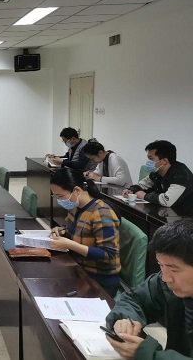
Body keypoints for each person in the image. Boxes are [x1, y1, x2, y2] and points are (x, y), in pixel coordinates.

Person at [105, 219, 193, 359]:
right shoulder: (165, 283)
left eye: (174, 270)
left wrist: (149, 354)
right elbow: (135, 299)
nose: (165, 278)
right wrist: (126, 319)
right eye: (161, 265)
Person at [49, 167, 121, 296]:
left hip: (99, 280)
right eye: (56, 196)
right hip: (79, 269)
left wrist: (69, 244)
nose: (59, 200)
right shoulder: (75, 207)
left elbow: (109, 254)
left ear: (76, 190)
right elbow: (73, 228)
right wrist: (61, 230)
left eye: (61, 196)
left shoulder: (102, 213)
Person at [122, 140, 193, 212]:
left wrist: (144, 196)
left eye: (151, 159)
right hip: (165, 212)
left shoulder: (181, 174)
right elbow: (142, 184)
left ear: (164, 161)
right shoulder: (157, 172)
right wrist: (130, 190)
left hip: (184, 215)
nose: (148, 162)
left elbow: (167, 200)